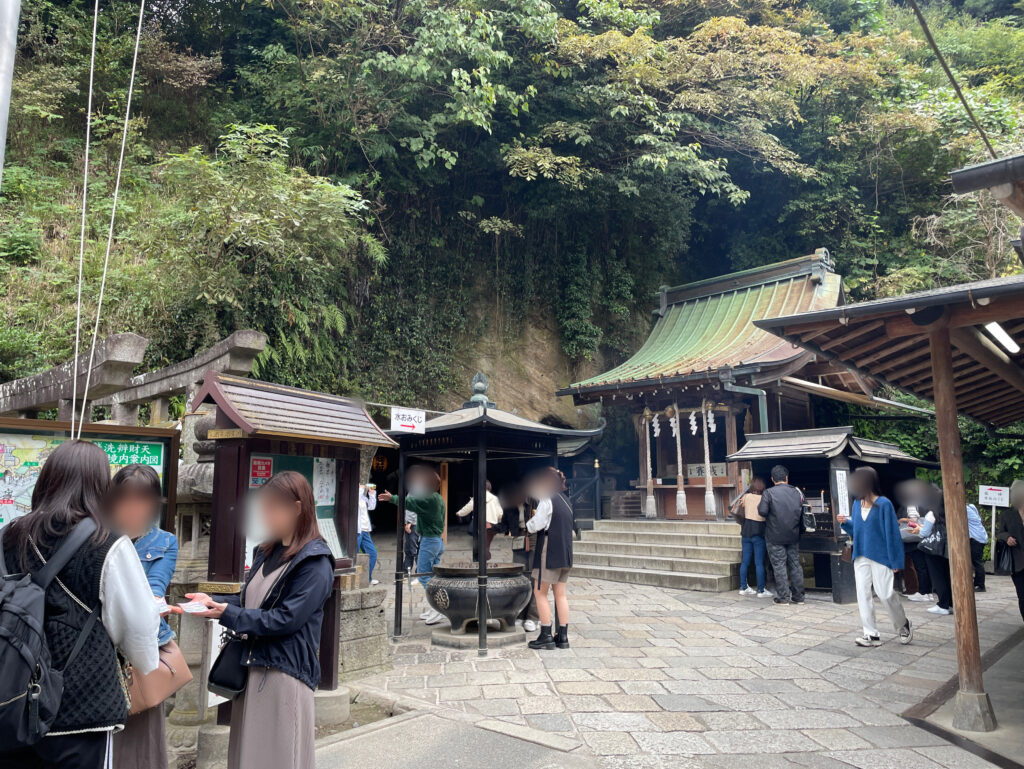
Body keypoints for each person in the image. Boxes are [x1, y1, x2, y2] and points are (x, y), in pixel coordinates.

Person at [3, 441, 160, 769]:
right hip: (80, 711)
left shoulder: (9, 535)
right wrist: (145, 662)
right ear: (100, 487)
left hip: (13, 704)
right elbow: (139, 625)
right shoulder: (107, 542)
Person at [187, 471, 335, 769]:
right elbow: (250, 601)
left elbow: (285, 620)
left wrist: (228, 614)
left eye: (271, 508)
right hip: (252, 671)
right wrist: (214, 602)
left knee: (278, 757)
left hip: (284, 676)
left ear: (296, 508)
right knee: (249, 756)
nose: (265, 516)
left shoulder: (315, 563)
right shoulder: (266, 551)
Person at [108, 464, 181, 769]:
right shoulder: (99, 535)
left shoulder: (165, 542)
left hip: (142, 650)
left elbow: (154, 589)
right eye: (126, 497)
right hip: (105, 650)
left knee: (144, 731)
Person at [838, 466, 912, 647]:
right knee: (863, 594)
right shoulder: (857, 504)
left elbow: (892, 534)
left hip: (881, 555)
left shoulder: (884, 504)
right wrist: (846, 523)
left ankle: (903, 625)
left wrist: (895, 560)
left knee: (885, 594)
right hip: (861, 554)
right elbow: (858, 530)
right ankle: (870, 634)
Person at [380, 466, 446, 625]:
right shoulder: (437, 498)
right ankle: (436, 607)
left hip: (430, 541)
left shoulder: (429, 500)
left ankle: (438, 608)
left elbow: (410, 503)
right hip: (436, 541)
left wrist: (393, 498)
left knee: (423, 574)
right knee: (432, 576)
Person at [526, 468, 573, 651]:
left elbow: (537, 524)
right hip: (566, 551)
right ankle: (563, 636)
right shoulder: (566, 500)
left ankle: (545, 635)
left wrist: (528, 526)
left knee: (540, 593)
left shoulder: (547, 499)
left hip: (549, 548)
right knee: (560, 594)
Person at [758, 465, 806, 605]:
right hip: (793, 534)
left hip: (774, 536)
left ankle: (783, 597)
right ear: (786, 478)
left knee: (779, 566)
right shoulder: (797, 492)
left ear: (772, 479)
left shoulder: (768, 493)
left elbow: (762, 511)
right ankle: (799, 597)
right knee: (795, 565)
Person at [501, 483, 540, 631]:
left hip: (534, 537)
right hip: (518, 537)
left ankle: (533, 617)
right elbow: (505, 523)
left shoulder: (535, 502)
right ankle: (520, 615)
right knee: (519, 576)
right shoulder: (510, 505)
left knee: (534, 576)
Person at [917, 486, 953, 616]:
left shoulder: (932, 514)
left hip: (933, 550)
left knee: (937, 577)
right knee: (948, 576)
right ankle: (951, 604)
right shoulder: (951, 511)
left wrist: (919, 529)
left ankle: (942, 605)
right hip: (948, 549)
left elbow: (924, 533)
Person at [737, 477, 771, 598]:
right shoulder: (764, 498)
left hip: (745, 532)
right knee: (759, 563)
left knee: (745, 561)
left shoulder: (745, 497)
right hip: (758, 532)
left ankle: (743, 587)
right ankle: (761, 590)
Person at [455, 480, 504, 561]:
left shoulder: (477, 497)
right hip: (491, 525)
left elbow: (468, 508)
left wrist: (459, 513)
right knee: (486, 545)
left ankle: (482, 565)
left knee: (480, 546)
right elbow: (500, 513)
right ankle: (484, 564)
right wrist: (496, 519)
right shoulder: (495, 498)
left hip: (479, 524)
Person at [996, 479, 1024, 621]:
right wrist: (1007, 537)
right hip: (1018, 563)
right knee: (1022, 596)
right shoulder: (1007, 515)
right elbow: (1000, 533)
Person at [357, 483, 379, 585]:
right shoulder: (353, 496)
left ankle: (367, 578)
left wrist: (372, 494)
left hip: (365, 530)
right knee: (355, 554)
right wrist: (360, 489)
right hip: (357, 530)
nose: (361, 485)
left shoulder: (362, 497)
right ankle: (356, 581)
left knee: (372, 553)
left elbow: (371, 507)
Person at [966, 503, 988, 592]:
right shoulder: (971, 506)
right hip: (980, 536)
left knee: (976, 562)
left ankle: (980, 585)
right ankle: (977, 584)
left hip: (975, 538)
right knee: (976, 561)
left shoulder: (964, 509)